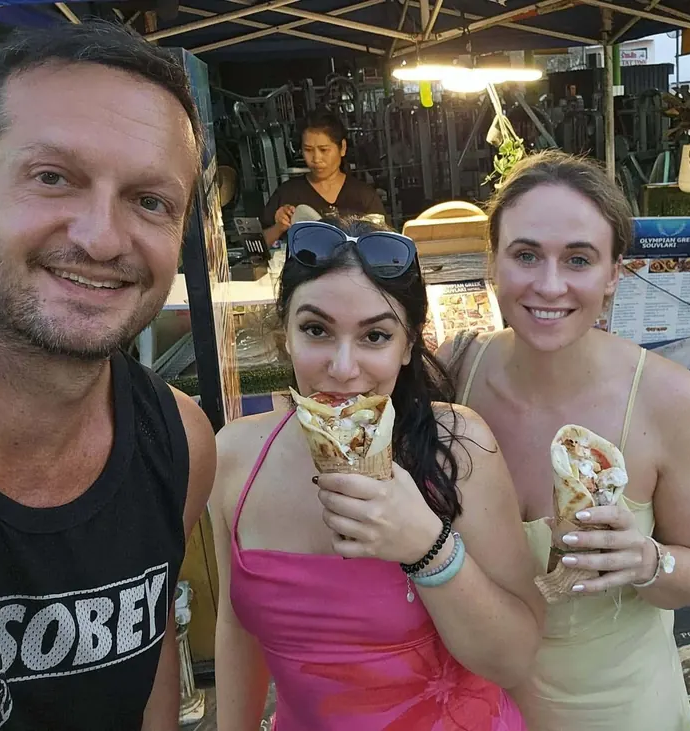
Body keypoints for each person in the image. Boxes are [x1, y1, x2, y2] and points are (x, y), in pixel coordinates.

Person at [0, 22, 216, 730]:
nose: (102, 238)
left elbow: (150, 681)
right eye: (53, 177)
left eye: (150, 200)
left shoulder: (178, 441)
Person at [210, 217, 544, 729]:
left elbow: (513, 658)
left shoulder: (459, 447)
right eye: (316, 330)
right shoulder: (234, 455)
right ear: (285, 338)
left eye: (375, 336)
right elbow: (237, 627)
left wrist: (427, 547)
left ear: (407, 347)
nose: (344, 369)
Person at [437, 151, 690, 731]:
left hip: (618, 711)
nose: (550, 285)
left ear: (614, 272)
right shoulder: (454, 371)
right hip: (474, 706)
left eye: (578, 259)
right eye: (525, 255)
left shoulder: (669, 401)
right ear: (491, 262)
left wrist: (646, 560)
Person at [260, 110, 385, 244]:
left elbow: (384, 244)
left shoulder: (364, 196)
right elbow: (256, 249)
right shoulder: (287, 194)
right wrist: (279, 227)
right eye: (308, 150)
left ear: (342, 148)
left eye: (324, 150)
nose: (316, 159)